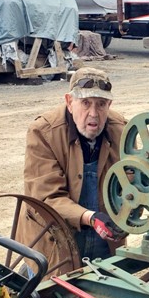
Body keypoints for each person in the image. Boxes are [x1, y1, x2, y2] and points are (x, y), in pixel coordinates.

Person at [16, 67, 127, 275]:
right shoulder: (44, 132)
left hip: (104, 240)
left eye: (101, 104)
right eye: (86, 103)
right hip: (54, 240)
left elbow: (133, 181)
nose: (94, 113)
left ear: (109, 105)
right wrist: (91, 217)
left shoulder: (121, 130)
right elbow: (46, 198)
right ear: (69, 102)